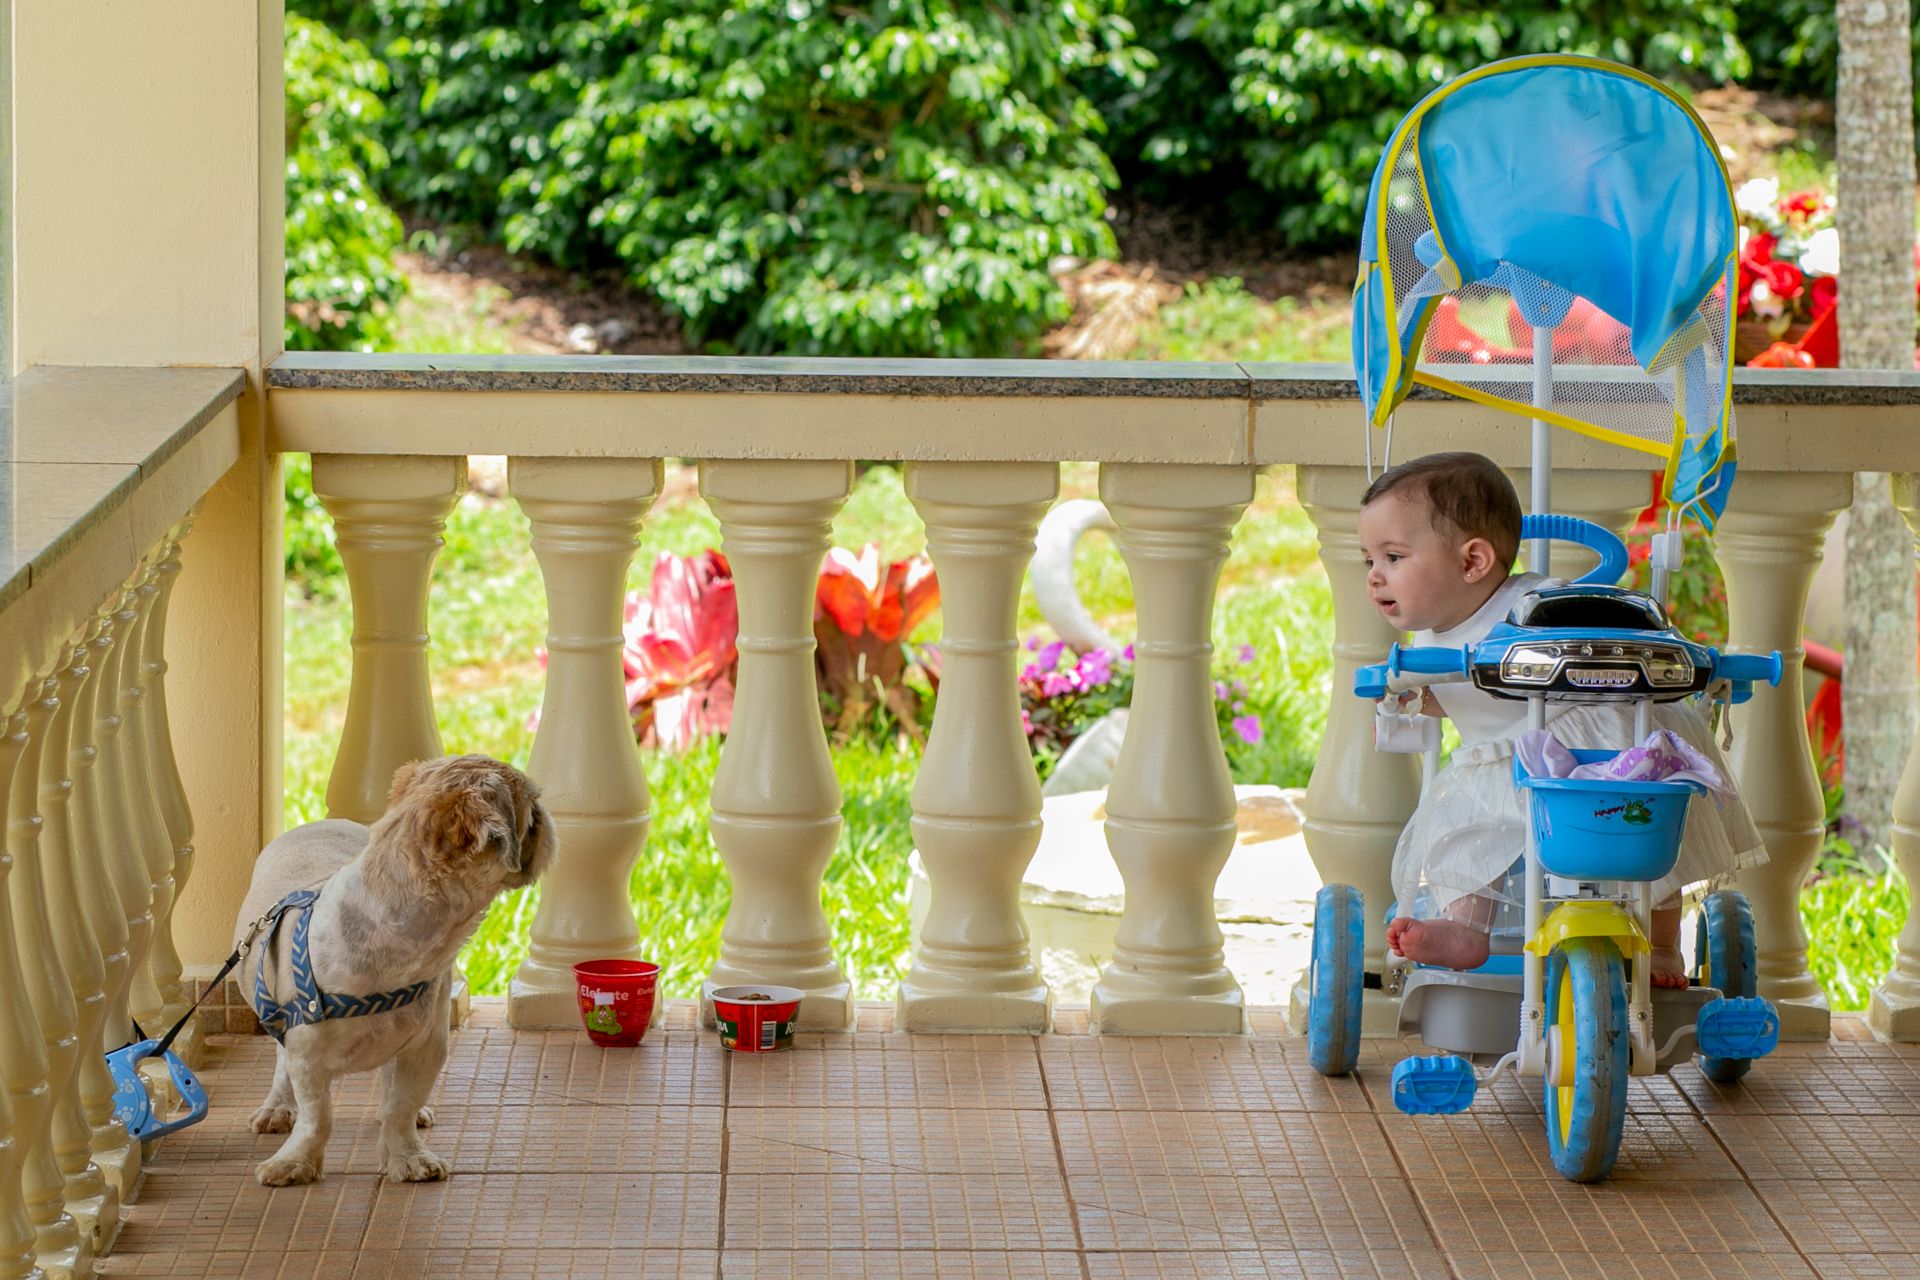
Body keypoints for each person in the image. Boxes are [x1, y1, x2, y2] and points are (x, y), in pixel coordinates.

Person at [1356, 452, 1766, 985]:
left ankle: (1663, 946)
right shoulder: (1428, 637)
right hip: (1509, 765)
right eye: (1369, 561)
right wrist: (1416, 699)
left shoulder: (1538, 606)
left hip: (1605, 741)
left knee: (1652, 835)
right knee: (1465, 831)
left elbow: (1616, 643)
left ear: (1472, 562)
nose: (1374, 577)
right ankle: (1465, 927)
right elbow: (1462, 698)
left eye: (1392, 557)